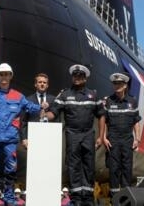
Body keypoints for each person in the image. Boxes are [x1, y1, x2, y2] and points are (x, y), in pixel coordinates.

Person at [0, 63, 47, 205]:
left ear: (11, 76)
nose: (4, 77)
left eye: (6, 74)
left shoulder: (18, 96)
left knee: (10, 169)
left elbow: (30, 107)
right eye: (1, 74)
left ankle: (9, 197)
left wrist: (41, 106)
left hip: (10, 139)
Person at [46, 64, 106, 206]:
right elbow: (53, 112)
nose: (77, 78)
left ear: (85, 78)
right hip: (72, 134)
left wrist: (101, 136)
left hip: (88, 134)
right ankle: (77, 197)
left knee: (88, 165)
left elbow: (102, 115)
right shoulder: (65, 94)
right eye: (75, 76)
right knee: (73, 166)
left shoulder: (93, 95)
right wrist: (44, 115)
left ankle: (88, 197)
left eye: (80, 76)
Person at [103, 72, 141, 197]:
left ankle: (125, 197)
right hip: (112, 139)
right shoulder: (109, 101)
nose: (117, 86)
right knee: (113, 169)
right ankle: (114, 199)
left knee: (126, 168)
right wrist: (103, 137)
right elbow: (104, 121)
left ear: (125, 85)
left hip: (127, 139)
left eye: (119, 84)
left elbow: (136, 121)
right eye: (115, 83)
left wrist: (137, 139)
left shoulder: (132, 102)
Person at [20, 73, 56, 149]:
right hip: (33, 136)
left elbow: (57, 119)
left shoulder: (53, 100)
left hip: (50, 136)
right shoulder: (28, 100)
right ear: (35, 84)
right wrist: (24, 138)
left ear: (47, 85)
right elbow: (23, 121)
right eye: (40, 82)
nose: (42, 84)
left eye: (44, 82)